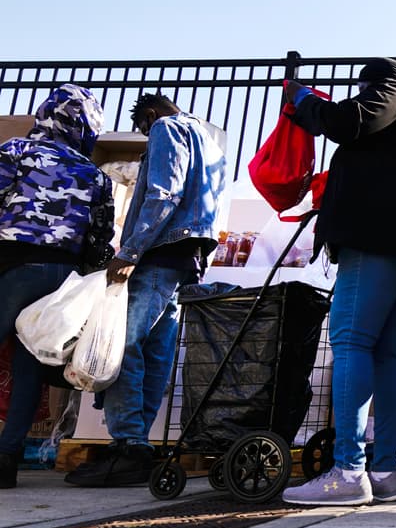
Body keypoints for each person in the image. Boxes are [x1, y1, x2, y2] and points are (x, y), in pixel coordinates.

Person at [280, 58, 396, 506]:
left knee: (351, 342)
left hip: (380, 235)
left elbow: (349, 121)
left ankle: (347, 471)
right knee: (389, 353)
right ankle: (384, 471)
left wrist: (304, 100)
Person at [67, 93, 227, 487]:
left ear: (151, 115)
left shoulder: (166, 127)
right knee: (156, 350)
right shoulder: (207, 141)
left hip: (159, 253)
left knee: (121, 344)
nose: (145, 135)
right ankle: (136, 445)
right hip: (186, 257)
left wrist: (131, 252)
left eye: (143, 128)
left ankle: (128, 443)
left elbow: (163, 193)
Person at [0, 85, 116, 489]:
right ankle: (6, 458)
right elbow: (101, 237)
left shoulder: (17, 151)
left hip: (10, 265)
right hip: (63, 277)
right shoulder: (95, 174)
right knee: (29, 366)